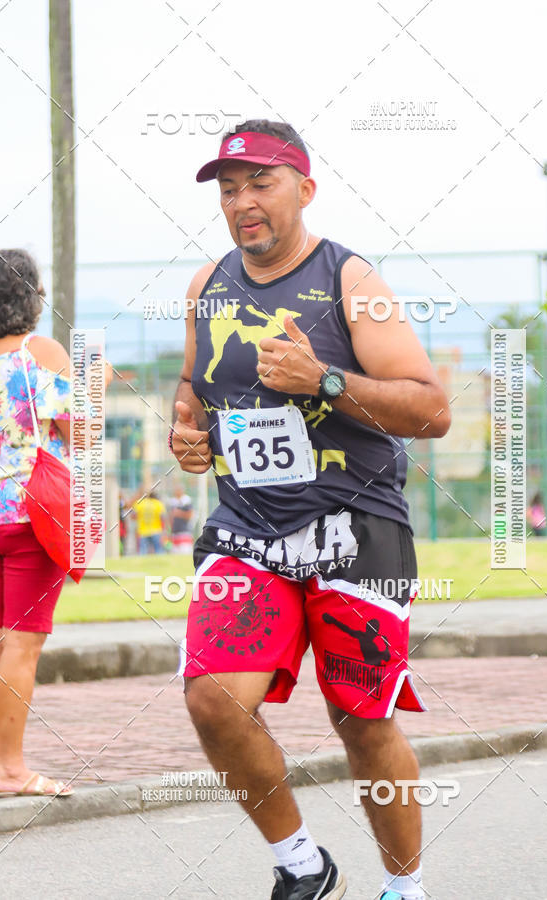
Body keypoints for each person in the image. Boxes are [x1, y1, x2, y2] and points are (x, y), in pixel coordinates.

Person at [169, 120, 451, 900]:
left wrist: (325, 379)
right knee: (213, 699)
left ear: (304, 188)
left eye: (260, 182)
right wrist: (185, 426)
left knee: (362, 719)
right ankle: (303, 865)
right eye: (228, 190)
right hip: (247, 531)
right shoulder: (207, 284)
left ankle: (405, 887)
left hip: (356, 528)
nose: (242, 203)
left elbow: (432, 410)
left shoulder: (351, 279)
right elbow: (195, 384)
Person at [0, 248, 112, 797]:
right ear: (31, 296)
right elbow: (81, 436)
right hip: (27, 519)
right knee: (19, 645)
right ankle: (11, 771)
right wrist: (98, 387)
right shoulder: (37, 353)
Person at [131, 490, 167, 554]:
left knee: (143, 551)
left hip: (143, 531)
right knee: (159, 551)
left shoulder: (140, 503)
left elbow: (133, 516)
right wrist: (164, 531)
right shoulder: (158, 503)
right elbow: (163, 518)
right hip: (156, 530)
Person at [167, 484, 195, 553]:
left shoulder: (187, 501)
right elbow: (170, 518)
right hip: (174, 532)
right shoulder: (172, 502)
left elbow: (190, 515)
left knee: (185, 552)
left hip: (184, 531)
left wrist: (178, 513)